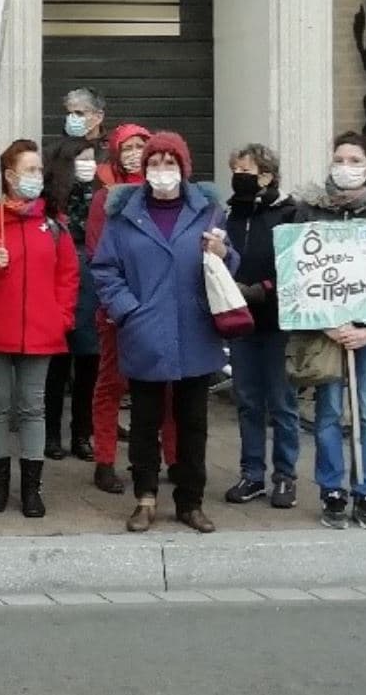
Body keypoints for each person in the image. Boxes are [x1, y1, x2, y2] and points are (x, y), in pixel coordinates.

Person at [92, 131, 233, 534]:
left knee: (193, 423)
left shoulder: (207, 212)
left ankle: (190, 502)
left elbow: (230, 262)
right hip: (144, 332)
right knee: (144, 420)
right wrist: (128, 312)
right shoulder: (124, 217)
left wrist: (225, 254)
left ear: (183, 169)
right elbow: (105, 269)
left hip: (195, 332)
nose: (161, 171)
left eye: (169, 163)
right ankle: (145, 498)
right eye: (155, 163)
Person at [0, 140, 79, 518]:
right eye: (28, 170)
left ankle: (32, 488)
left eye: (38, 170)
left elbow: (68, 276)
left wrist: (61, 317)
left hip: (41, 332)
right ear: (9, 176)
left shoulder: (54, 226)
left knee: (33, 408)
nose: (36, 177)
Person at [84, 122, 177, 493]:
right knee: (111, 385)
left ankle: (174, 457)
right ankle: (104, 460)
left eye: (142, 146)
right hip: (120, 310)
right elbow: (97, 253)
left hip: (163, 310)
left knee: (169, 388)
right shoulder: (104, 199)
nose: (136, 153)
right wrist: (122, 303)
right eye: (128, 148)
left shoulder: (171, 195)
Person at [295, 133, 366, 528]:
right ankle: (332, 489)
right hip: (326, 332)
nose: (346, 165)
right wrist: (327, 324)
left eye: (354, 159)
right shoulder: (309, 211)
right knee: (327, 414)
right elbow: (296, 276)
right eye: (339, 158)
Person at [221, 144, 300, 510]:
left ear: (266, 175)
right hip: (241, 323)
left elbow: (295, 268)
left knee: (282, 403)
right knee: (248, 402)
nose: (238, 175)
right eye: (235, 169)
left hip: (277, 323)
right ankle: (252, 474)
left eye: (245, 169)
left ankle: (285, 475)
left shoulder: (290, 214)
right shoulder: (230, 216)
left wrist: (259, 291)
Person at [42, 138, 102, 461]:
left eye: (93, 158)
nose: (89, 164)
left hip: (93, 284)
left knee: (89, 366)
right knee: (57, 367)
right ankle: (52, 434)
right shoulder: (52, 199)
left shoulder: (102, 195)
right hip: (61, 284)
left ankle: (82, 433)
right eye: (82, 158)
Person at [61, 87, 107, 155]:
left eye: (79, 113)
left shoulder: (111, 150)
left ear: (99, 116)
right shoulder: (56, 151)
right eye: (69, 114)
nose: (72, 118)